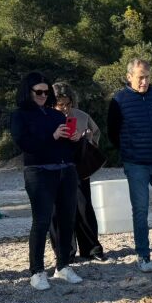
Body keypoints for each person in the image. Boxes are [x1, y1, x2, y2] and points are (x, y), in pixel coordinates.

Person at [107, 59, 152, 272]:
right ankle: (143, 254)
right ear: (129, 76)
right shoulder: (119, 100)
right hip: (136, 163)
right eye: (141, 77)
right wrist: (128, 150)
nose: (145, 81)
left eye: (148, 77)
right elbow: (112, 132)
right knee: (140, 210)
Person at [11, 71, 84, 290]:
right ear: (28, 92)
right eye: (38, 92)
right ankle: (37, 271)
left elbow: (69, 150)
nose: (43, 95)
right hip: (39, 172)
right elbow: (24, 144)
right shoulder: (19, 115)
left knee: (67, 220)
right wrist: (51, 136)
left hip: (65, 170)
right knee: (41, 221)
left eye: (46, 91)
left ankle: (63, 265)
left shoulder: (56, 115)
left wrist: (75, 139)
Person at [49, 81, 107, 262]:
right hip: (53, 168)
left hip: (79, 168)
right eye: (61, 105)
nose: (65, 109)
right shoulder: (46, 118)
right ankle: (64, 252)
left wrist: (85, 137)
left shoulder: (82, 116)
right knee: (58, 212)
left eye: (68, 104)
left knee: (84, 208)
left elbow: (95, 136)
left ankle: (91, 248)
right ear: (53, 104)